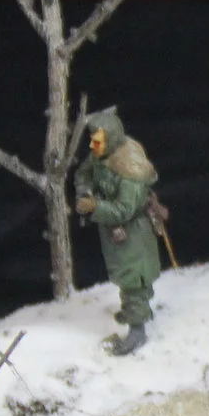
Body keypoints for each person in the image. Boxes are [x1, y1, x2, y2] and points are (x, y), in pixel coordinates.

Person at [73, 108, 162, 356]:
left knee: (134, 277)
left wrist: (95, 207)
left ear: (111, 138)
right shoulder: (101, 155)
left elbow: (124, 209)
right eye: (92, 140)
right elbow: (83, 173)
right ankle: (135, 310)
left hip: (132, 233)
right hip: (114, 233)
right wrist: (85, 192)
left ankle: (137, 330)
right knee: (125, 276)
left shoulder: (130, 170)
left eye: (97, 141)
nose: (92, 145)